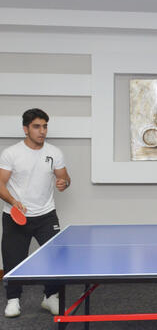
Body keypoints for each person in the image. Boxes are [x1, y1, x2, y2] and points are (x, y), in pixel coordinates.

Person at [0, 109, 71, 318]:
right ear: (26, 129)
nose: (42, 131)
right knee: (13, 260)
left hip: (46, 215)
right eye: (37, 126)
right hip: (15, 215)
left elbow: (65, 177)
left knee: (56, 257)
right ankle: (13, 300)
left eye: (45, 126)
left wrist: (64, 183)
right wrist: (14, 202)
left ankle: (50, 297)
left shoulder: (54, 152)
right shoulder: (11, 153)